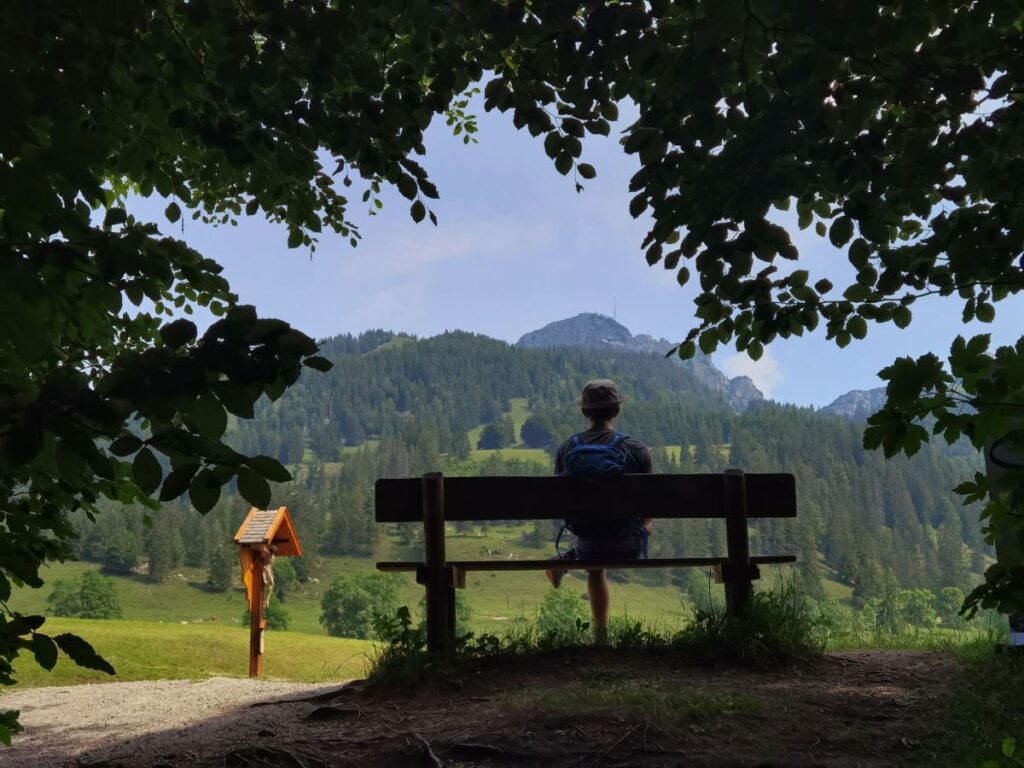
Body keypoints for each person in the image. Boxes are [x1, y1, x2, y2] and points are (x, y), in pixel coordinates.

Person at [547, 379, 653, 644]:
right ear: (616, 411)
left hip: (588, 545)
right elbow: (650, 507)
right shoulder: (637, 450)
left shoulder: (567, 449)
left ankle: (601, 637)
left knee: (595, 563)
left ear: (585, 411)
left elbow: (562, 501)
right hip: (629, 546)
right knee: (643, 525)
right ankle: (563, 561)